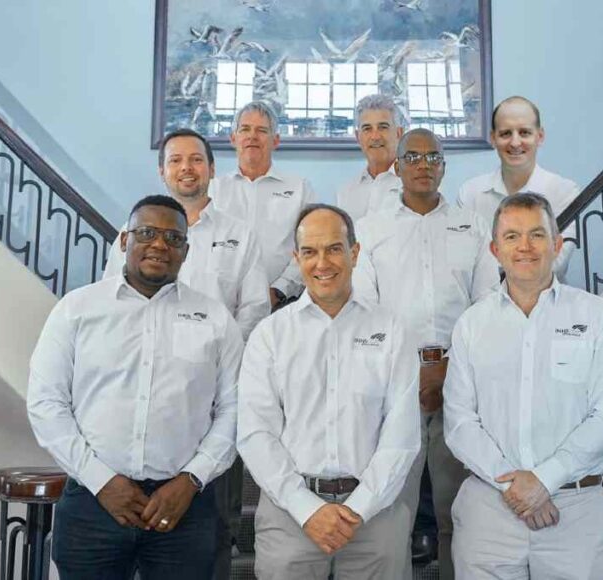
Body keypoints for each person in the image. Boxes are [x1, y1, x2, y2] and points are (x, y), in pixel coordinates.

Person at [27, 195, 243, 579]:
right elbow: (47, 403)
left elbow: (235, 408)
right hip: (93, 503)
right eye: (146, 233)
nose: (159, 244)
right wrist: (102, 482)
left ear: (185, 251)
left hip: (184, 508)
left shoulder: (215, 318)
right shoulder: (76, 310)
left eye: (173, 238)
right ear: (125, 241)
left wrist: (191, 480)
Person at [444, 193, 603, 579]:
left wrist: (545, 480)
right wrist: (517, 488)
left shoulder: (597, 316)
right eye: (512, 237)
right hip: (489, 514)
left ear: (557, 245)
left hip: (575, 512)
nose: (525, 246)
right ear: (495, 250)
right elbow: (460, 423)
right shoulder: (471, 325)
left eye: (537, 235)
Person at [237, 204, 420, 579]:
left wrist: (359, 508)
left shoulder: (392, 331)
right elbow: (256, 434)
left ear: (355, 252)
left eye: (334, 249)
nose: (322, 263)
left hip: (376, 513)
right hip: (289, 512)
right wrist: (307, 509)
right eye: (310, 252)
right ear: (296, 258)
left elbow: (401, 435)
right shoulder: (270, 335)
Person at [353, 128, 499, 579]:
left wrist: (448, 368)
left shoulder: (472, 225)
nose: (423, 165)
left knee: (461, 509)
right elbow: (365, 310)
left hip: (463, 382)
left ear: (444, 166)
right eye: (413, 157)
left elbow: (488, 304)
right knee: (392, 511)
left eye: (433, 157)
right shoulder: (371, 229)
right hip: (396, 385)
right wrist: (411, 372)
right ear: (397, 167)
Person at [104, 128, 269, 341]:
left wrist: (227, 351)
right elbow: (113, 297)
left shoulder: (241, 235)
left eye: (196, 159)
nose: (186, 167)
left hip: (216, 356)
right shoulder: (135, 232)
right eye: (175, 160)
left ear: (212, 169)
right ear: (162, 172)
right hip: (142, 352)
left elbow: (254, 308)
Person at [457, 96, 580, 278]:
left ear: (540, 136)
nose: (515, 143)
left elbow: (556, 264)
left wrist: (491, 263)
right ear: (493, 138)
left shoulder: (565, 192)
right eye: (506, 133)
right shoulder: (470, 193)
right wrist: (528, 259)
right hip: (486, 297)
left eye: (524, 133)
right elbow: (466, 261)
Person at [210, 101, 317, 307]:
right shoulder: (213, 190)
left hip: (282, 304)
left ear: (275, 140)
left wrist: (280, 290)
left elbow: (310, 246)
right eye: (245, 129)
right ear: (233, 138)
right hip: (220, 304)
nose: (252, 136)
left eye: (261, 130)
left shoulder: (300, 189)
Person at [335, 94, 404, 222]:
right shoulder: (346, 193)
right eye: (367, 129)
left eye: (383, 127)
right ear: (358, 137)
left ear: (399, 133)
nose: (375, 136)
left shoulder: (416, 186)